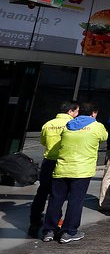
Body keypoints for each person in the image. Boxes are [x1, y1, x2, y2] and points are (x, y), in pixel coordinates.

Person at [40, 102, 108, 244]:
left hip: (62, 168)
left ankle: (49, 230)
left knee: (55, 199)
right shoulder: (97, 126)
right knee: (75, 201)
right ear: (94, 113)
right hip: (81, 171)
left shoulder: (68, 126)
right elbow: (104, 137)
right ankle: (69, 232)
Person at [28, 100, 79, 236]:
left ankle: (34, 219)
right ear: (70, 111)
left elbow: (43, 142)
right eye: (77, 111)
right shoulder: (71, 125)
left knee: (42, 191)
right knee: (58, 194)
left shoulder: (48, 124)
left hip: (48, 161)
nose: (77, 114)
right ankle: (55, 221)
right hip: (62, 161)